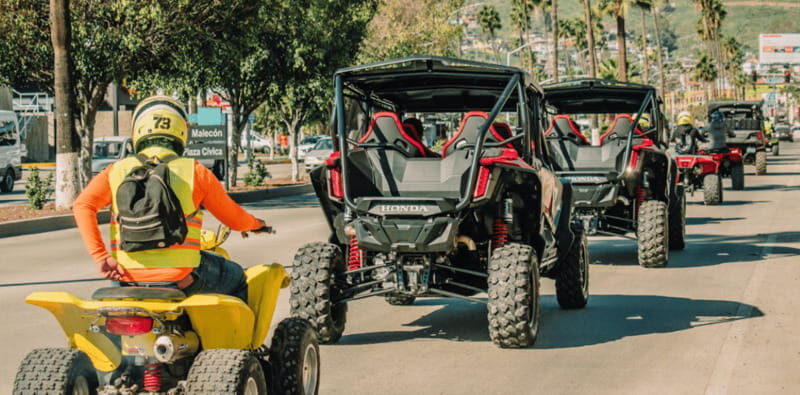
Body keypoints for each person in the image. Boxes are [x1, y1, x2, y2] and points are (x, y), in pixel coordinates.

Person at [73, 96, 268, 301]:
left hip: (126, 276)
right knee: (237, 278)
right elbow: (235, 220)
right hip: (182, 276)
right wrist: (255, 224)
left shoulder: (115, 171)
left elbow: (83, 205)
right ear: (181, 131)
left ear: (138, 130)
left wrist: (101, 256)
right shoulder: (195, 171)